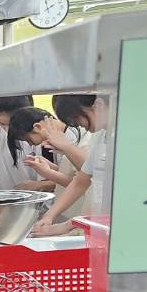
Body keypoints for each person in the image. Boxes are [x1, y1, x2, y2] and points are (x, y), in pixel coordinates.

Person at [32, 93, 111, 233]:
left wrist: (65, 226)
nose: (79, 125)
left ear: (98, 105)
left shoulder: (125, 138)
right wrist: (49, 216)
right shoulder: (100, 136)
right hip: (96, 226)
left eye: (77, 119)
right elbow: (81, 181)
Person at [0, 95, 53, 191]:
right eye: (2, 124)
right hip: (10, 196)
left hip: (41, 196)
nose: (7, 130)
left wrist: (38, 185)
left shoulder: (41, 134)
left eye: (11, 125)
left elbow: (63, 179)